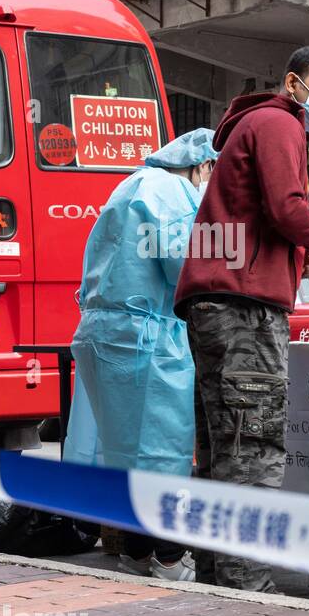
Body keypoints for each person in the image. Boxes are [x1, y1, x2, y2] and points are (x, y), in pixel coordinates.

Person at [174, 46, 309, 592]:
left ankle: (217, 574)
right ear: (295, 83)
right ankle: (248, 584)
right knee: (254, 446)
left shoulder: (252, 126)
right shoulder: (280, 122)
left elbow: (258, 222)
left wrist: (300, 260)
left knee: (223, 447)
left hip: (219, 302)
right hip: (242, 308)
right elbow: (286, 206)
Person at [66, 129, 219, 581]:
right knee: (162, 452)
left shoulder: (129, 184)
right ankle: (170, 558)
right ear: (201, 166)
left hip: (103, 333)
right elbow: (181, 263)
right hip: (145, 339)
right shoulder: (169, 191)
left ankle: (134, 554)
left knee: (122, 455)